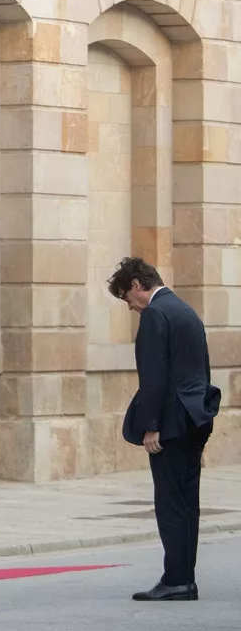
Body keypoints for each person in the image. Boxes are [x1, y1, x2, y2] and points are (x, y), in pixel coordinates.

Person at [109, 257, 220, 601]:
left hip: (170, 422)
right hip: (194, 418)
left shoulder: (156, 314)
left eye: (128, 298)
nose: (131, 307)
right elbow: (200, 368)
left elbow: (153, 377)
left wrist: (151, 426)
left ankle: (176, 580)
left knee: (171, 502)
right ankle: (184, 578)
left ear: (138, 285)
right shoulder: (185, 310)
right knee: (188, 503)